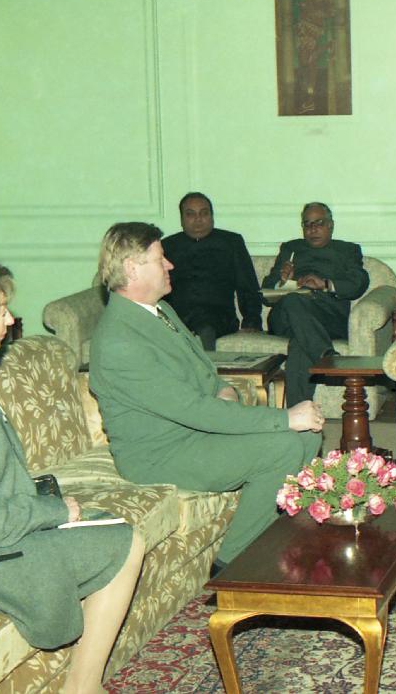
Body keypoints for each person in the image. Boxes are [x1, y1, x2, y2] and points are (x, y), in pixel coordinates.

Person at [0, 258, 144, 693]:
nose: (12, 320)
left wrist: (48, 508)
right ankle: (83, 686)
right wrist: (55, 512)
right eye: (0, 311)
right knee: (126, 541)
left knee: (101, 522)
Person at [88, 223, 324, 570]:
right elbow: (192, 409)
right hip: (160, 454)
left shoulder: (159, 310)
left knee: (307, 437)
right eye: (160, 259)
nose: (170, 265)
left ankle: (278, 538)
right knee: (284, 445)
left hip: (190, 434)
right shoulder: (119, 341)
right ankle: (230, 566)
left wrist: (221, 388)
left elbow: (201, 365)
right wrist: (284, 417)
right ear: (132, 269)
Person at [261, 203, 370, 406]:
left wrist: (326, 284)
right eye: (307, 224)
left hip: (327, 318)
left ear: (331, 225)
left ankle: (299, 412)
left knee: (301, 344)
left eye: (318, 223)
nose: (312, 229)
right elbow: (265, 293)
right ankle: (326, 357)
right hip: (287, 316)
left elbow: (359, 283)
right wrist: (281, 281)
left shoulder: (347, 250)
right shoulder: (291, 249)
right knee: (293, 299)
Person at [161, 192, 264, 351]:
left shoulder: (231, 242)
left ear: (212, 216)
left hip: (218, 316)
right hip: (179, 316)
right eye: (190, 214)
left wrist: (252, 321)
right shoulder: (167, 246)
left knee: (205, 325)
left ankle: (205, 365)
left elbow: (248, 286)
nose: (198, 219)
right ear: (182, 219)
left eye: (204, 213)